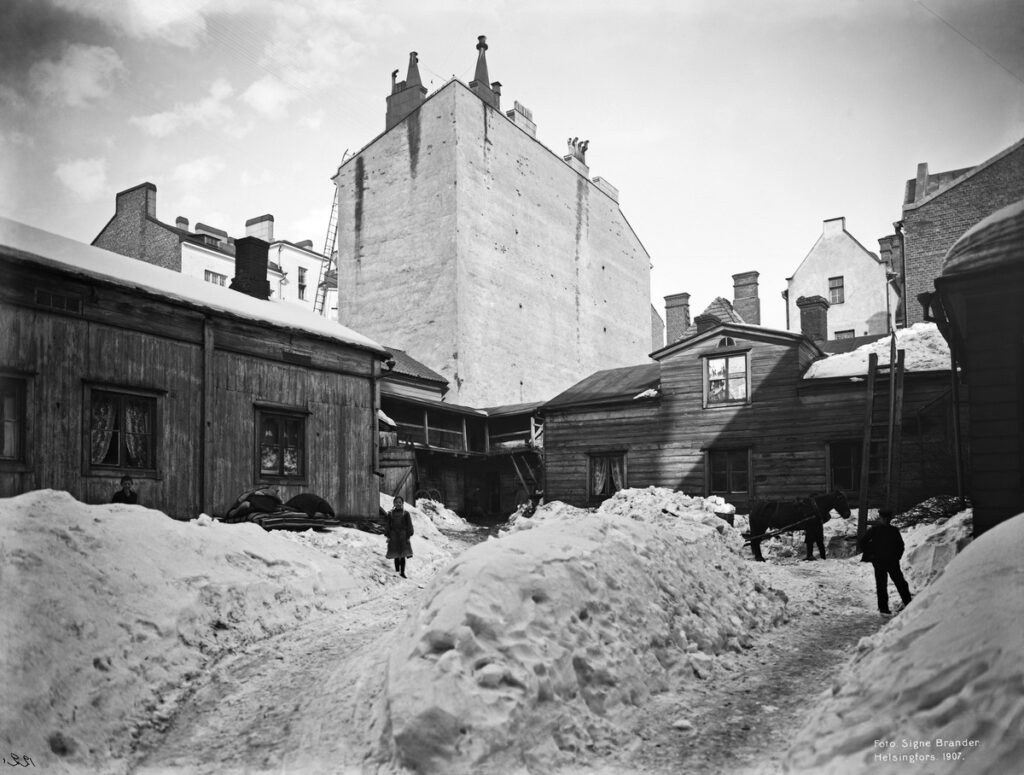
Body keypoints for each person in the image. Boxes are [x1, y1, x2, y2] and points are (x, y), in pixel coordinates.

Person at [860, 508, 913, 616]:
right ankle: (883, 608)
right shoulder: (874, 530)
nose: (886, 520)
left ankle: (909, 604)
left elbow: (900, 546)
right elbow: (863, 542)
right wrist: (871, 555)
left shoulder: (893, 531)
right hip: (879, 562)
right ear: (881, 518)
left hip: (892, 562)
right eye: (884, 518)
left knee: (900, 583)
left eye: (887, 518)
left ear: (890, 519)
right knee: (881, 585)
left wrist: (897, 557)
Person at [384, 496, 414, 578]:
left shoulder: (406, 514)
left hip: (403, 536)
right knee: (396, 554)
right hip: (394, 536)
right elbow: (388, 525)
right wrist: (388, 534)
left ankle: (402, 572)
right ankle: (397, 571)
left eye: (400, 502)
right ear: (394, 503)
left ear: (402, 503)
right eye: (396, 502)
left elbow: (409, 525)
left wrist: (409, 534)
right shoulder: (390, 514)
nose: (398, 504)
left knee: (403, 554)